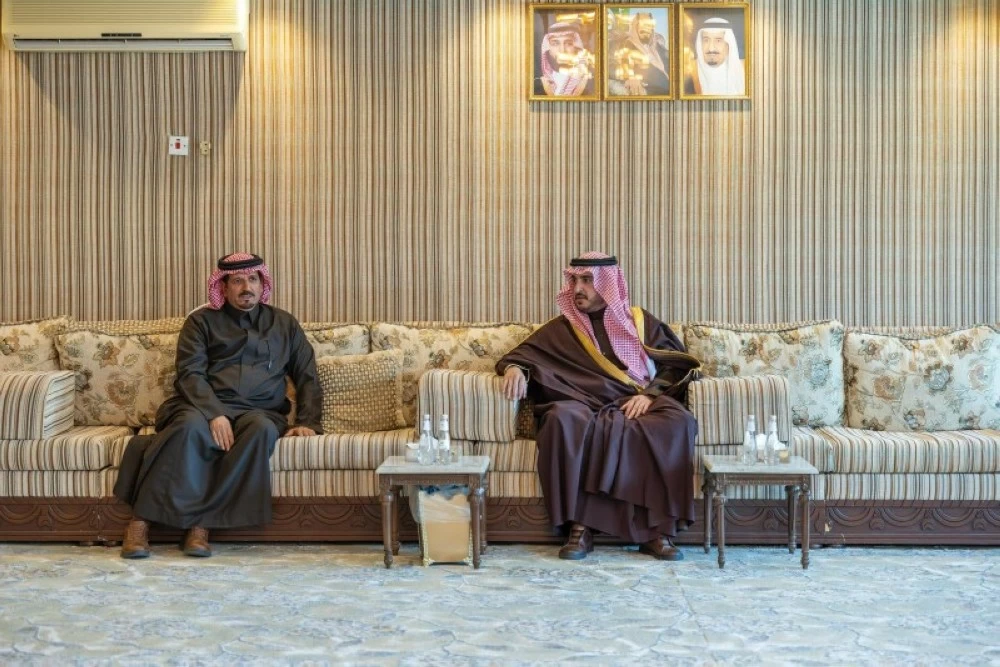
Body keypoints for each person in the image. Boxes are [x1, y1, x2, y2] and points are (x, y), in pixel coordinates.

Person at [113, 253, 323, 559]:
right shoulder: (201, 322)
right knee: (187, 429)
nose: (246, 287)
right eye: (237, 281)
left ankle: (201, 526)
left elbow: (307, 375)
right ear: (222, 287)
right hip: (201, 406)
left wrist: (308, 422)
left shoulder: (284, 323)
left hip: (259, 411)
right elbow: (190, 374)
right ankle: (139, 523)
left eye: (252, 279)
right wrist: (215, 414)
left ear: (262, 283)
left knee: (262, 431)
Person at [497, 252, 698, 561]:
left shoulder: (640, 322)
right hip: (584, 403)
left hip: (636, 400)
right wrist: (514, 369)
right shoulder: (562, 329)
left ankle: (657, 531)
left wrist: (649, 395)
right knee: (563, 419)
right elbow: (522, 356)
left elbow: (676, 365)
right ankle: (580, 528)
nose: (578, 288)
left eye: (587, 280)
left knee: (677, 421)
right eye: (574, 280)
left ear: (608, 285)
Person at [608, 12, 670, 96]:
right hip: (655, 91)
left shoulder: (658, 45)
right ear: (635, 26)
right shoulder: (624, 44)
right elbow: (609, 67)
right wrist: (630, 76)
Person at [684, 17, 745, 96]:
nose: (711, 48)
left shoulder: (745, 69)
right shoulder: (689, 70)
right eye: (706, 40)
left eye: (718, 40)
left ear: (728, 45)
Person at [536, 22, 595, 97]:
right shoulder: (537, 85)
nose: (562, 50)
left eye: (568, 43)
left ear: (576, 47)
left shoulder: (591, 83)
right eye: (555, 43)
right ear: (548, 48)